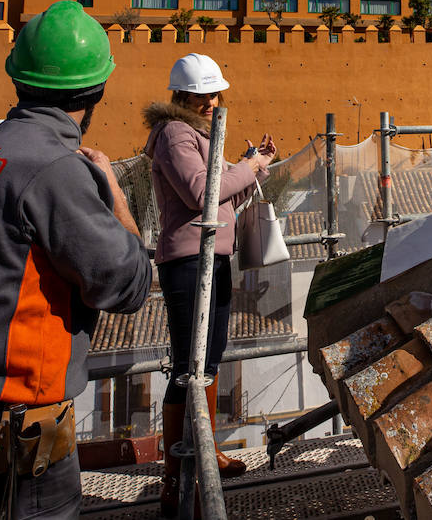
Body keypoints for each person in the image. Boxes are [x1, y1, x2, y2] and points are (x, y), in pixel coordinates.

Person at [0, 0, 152, 519]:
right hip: (14, 423)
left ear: (17, 79)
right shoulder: (55, 170)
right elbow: (129, 285)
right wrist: (117, 199)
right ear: (96, 92)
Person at [144, 52, 276, 515]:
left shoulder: (196, 132)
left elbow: (222, 197)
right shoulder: (175, 134)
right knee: (188, 365)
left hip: (212, 258)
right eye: (203, 95)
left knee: (210, 359)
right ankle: (175, 474)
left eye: (215, 94)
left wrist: (249, 166)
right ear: (182, 96)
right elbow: (202, 193)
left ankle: (206, 451)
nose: (212, 102)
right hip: (186, 263)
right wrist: (252, 164)